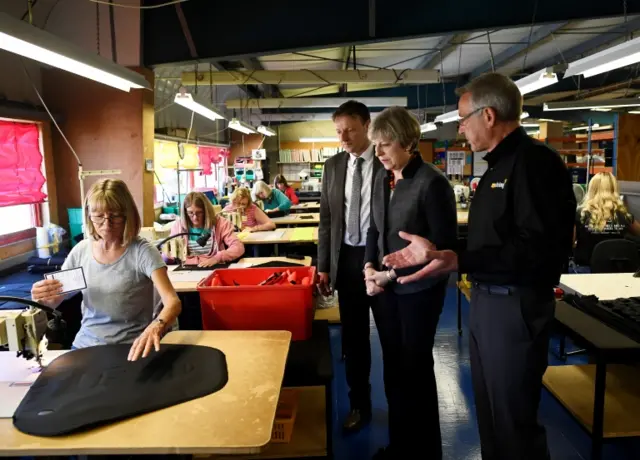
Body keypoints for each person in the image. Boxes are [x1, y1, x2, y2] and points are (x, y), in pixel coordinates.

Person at [382, 73, 576, 460]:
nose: (459, 127)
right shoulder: (494, 169)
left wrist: (458, 259)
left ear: (488, 116)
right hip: (488, 300)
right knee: (489, 416)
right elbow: (494, 241)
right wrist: (438, 252)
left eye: (463, 118)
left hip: (515, 305)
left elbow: (536, 250)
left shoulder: (535, 164)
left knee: (513, 422)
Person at [362, 107, 457, 459]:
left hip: (418, 291)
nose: (379, 153)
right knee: (392, 367)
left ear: (407, 142)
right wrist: (369, 267)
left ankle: (425, 451)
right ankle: (401, 446)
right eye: (376, 146)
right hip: (384, 289)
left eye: (385, 145)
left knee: (414, 369)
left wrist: (388, 275)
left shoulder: (432, 183)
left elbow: (444, 249)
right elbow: (374, 228)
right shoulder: (381, 177)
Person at [30, 179, 182, 361]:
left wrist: (156, 325)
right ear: (89, 216)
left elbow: (173, 302)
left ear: (128, 215)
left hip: (130, 347)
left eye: (115, 215)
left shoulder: (143, 252)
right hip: (85, 346)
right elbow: (55, 300)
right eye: (98, 216)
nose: (106, 223)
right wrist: (42, 297)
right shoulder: (81, 251)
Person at [317, 100, 382, 433]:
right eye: (338, 131)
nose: (343, 137)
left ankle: (402, 407)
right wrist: (324, 265)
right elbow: (326, 220)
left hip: (383, 263)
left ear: (367, 125)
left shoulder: (386, 162)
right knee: (354, 340)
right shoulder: (332, 167)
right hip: (347, 260)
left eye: (350, 130)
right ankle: (360, 404)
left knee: (393, 337)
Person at [572, 172, 640, 272]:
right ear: (614, 189)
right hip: (618, 270)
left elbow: (568, 243)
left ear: (592, 189)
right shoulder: (625, 216)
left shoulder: (580, 214)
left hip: (586, 271)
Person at [169, 191, 245, 267]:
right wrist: (167, 255)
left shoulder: (220, 223)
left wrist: (218, 258)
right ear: (185, 212)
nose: (195, 218)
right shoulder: (178, 226)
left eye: (199, 213)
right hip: (186, 269)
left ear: (206, 211)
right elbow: (170, 253)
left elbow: (238, 247)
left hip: (214, 267)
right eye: (190, 213)